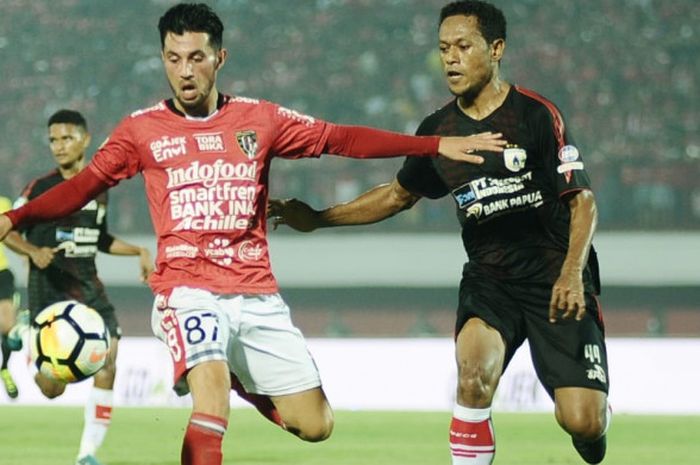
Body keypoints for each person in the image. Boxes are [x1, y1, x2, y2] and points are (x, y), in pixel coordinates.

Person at [0, 3, 506, 465]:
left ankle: (242, 378)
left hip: (256, 292)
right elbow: (83, 187)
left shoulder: (260, 120)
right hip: (186, 289)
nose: (184, 70)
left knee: (316, 425)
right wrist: (15, 219)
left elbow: (341, 138)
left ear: (219, 58)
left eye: (196, 57)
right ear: (162, 58)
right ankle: (217, 375)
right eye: (173, 58)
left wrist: (433, 143)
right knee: (210, 398)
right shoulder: (141, 129)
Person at [269, 1, 610, 464]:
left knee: (582, 422)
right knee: (473, 376)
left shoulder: (535, 115)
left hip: (556, 279)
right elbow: (396, 196)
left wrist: (572, 272)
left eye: (463, 47)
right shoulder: (439, 130)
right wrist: (318, 219)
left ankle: (592, 431)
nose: (450, 58)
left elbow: (583, 200)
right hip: (491, 282)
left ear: (496, 49)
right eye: (444, 48)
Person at [2, 109, 153, 465]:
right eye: (53, 139)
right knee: (52, 388)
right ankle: (24, 334)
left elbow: (98, 238)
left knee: (108, 365)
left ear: (85, 139)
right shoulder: (39, 188)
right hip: (49, 294)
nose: (58, 146)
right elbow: (7, 229)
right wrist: (33, 250)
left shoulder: (99, 190)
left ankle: (87, 454)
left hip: (88, 291)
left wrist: (138, 250)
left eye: (66, 138)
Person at [0, 195, 20, 399]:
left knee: (8, 327)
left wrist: (27, 254)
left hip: (1, 273)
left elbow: (15, 234)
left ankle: (4, 368)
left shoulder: (4, 203)